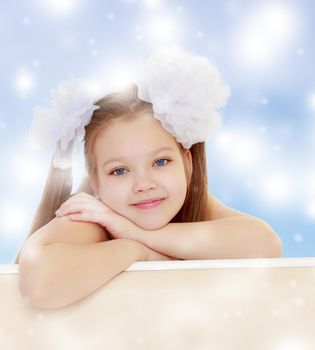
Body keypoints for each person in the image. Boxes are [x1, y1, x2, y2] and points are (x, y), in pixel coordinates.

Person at [16, 46, 282, 308]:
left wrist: (135, 232)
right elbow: (40, 284)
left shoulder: (191, 203)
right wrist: (137, 250)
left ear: (186, 164)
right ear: (95, 183)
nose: (144, 184)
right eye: (119, 171)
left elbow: (265, 245)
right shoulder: (90, 217)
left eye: (160, 162)